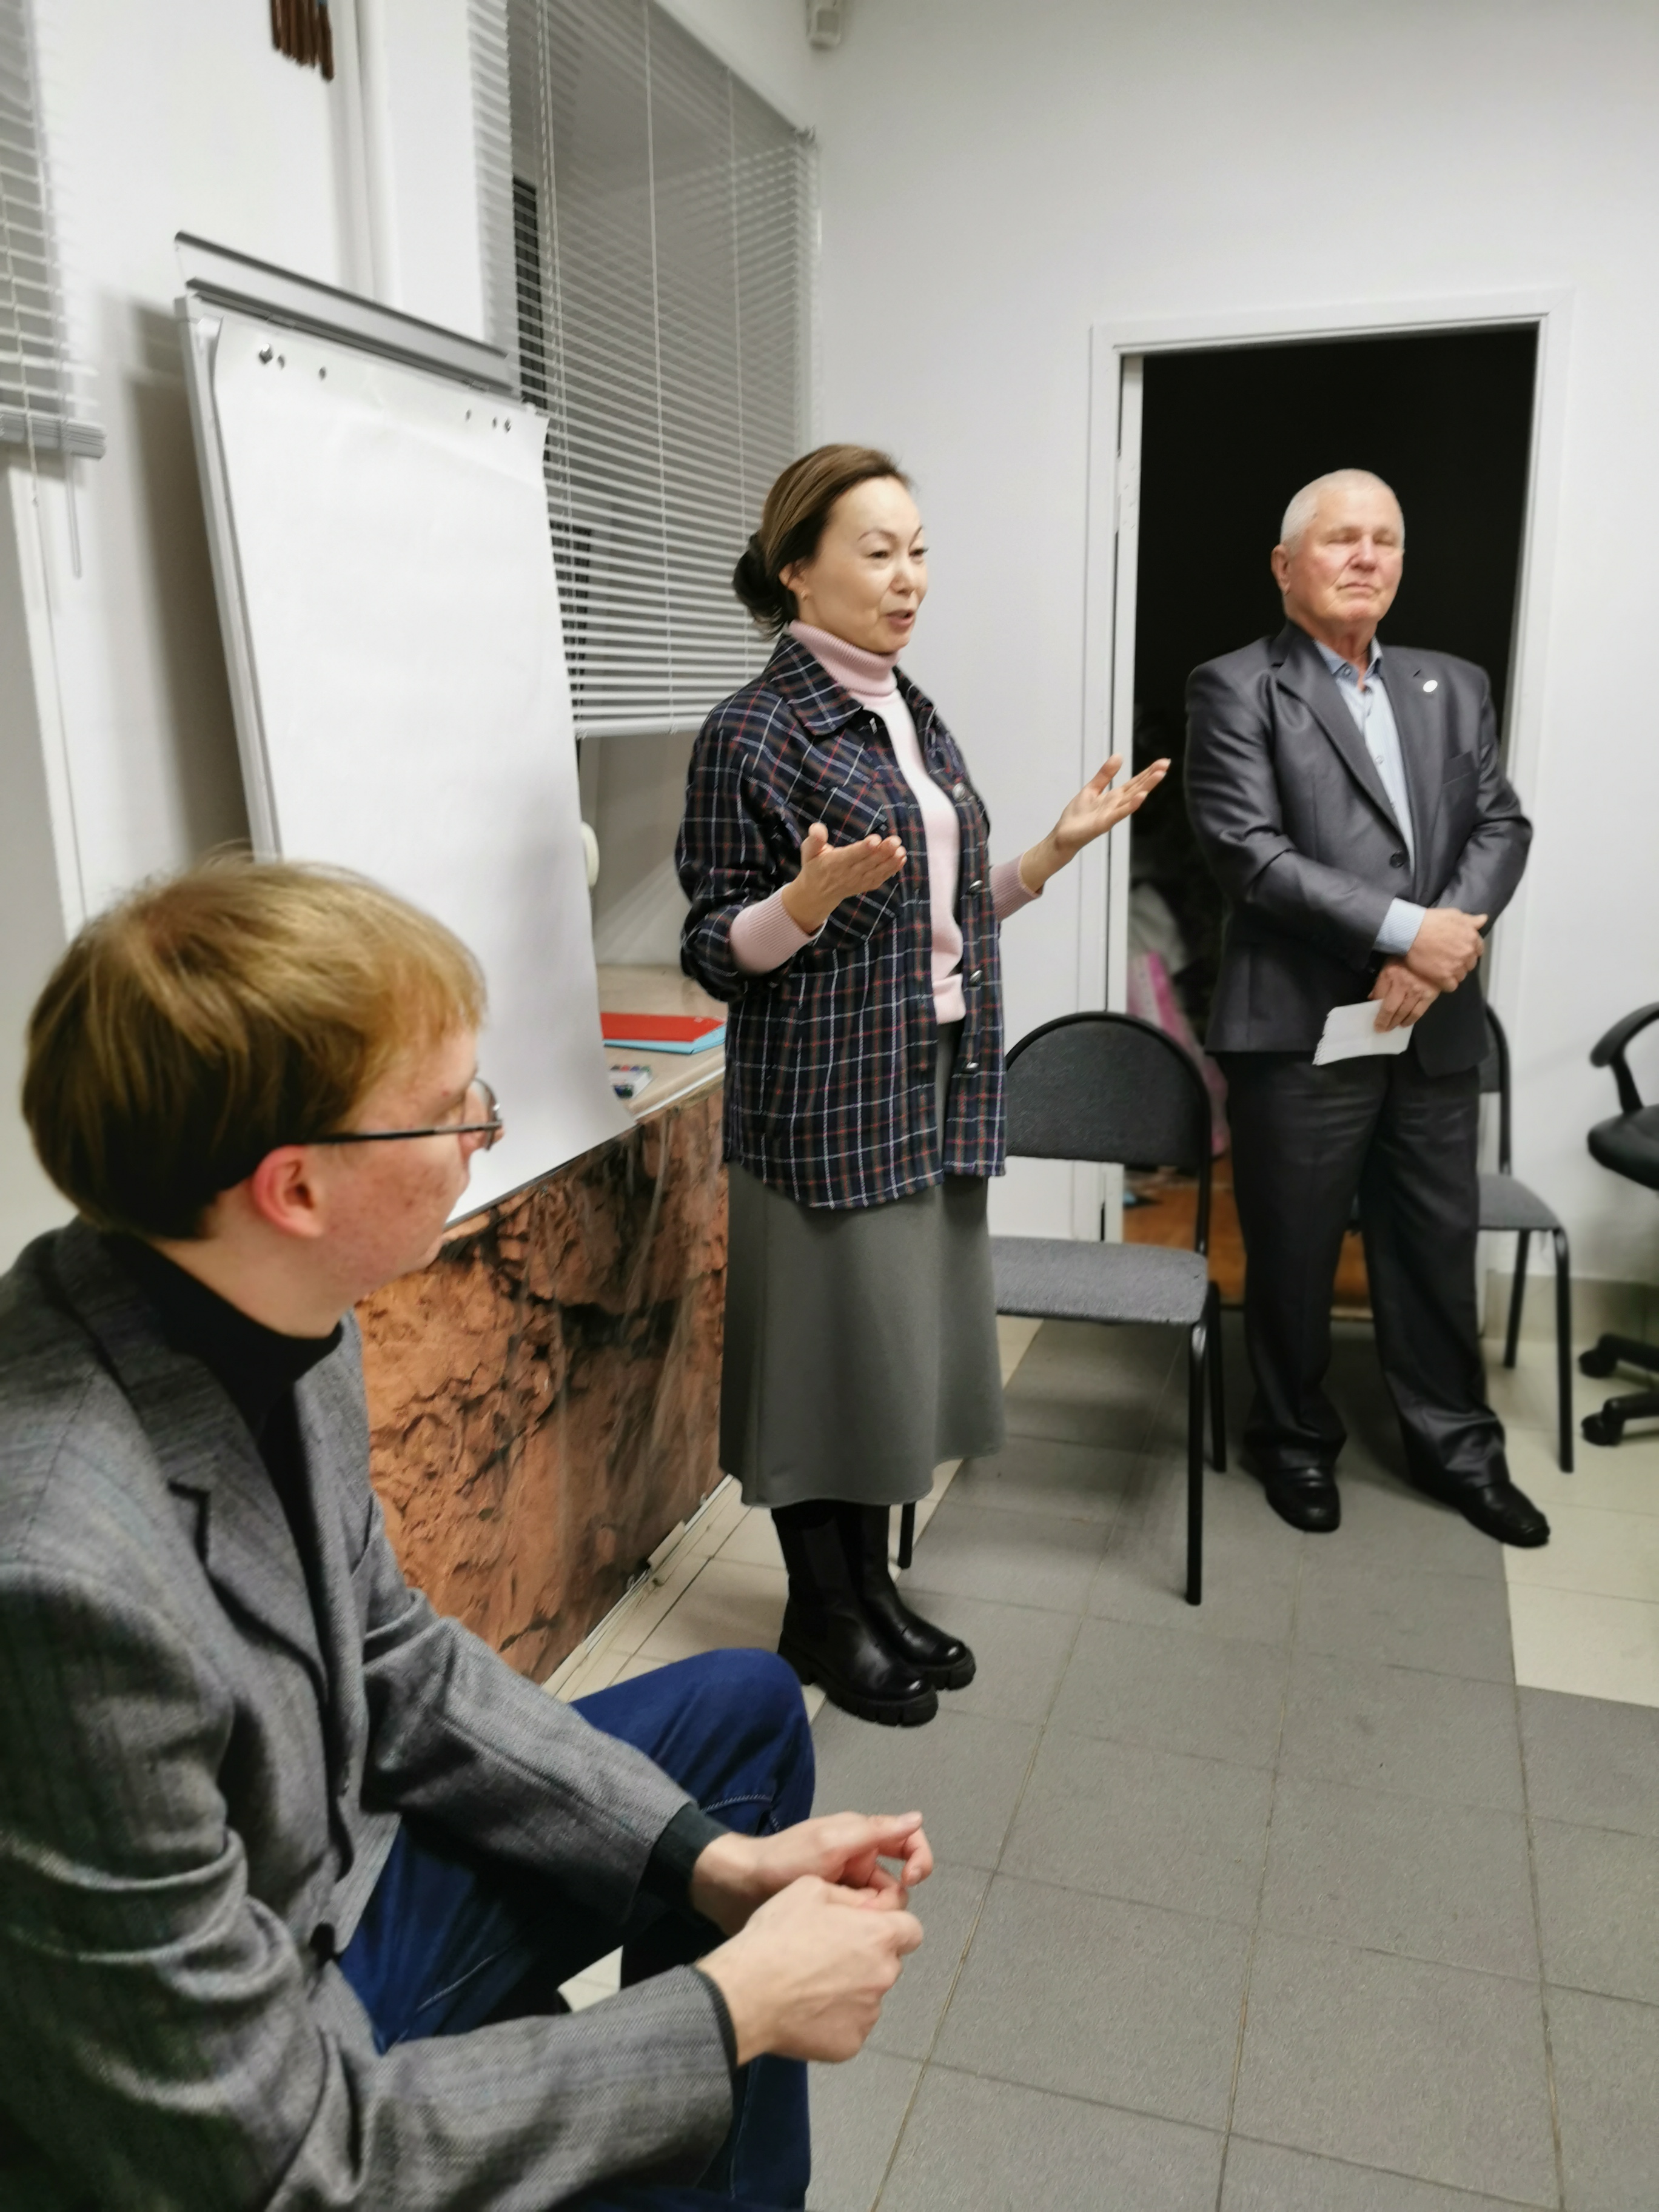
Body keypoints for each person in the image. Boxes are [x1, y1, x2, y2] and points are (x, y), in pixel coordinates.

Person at [0, 856, 934, 2212]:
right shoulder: (59, 1582)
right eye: (448, 1110)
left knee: (742, 1717)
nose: (484, 1129)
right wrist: (734, 2009)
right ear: (295, 1188)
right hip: (249, 2083)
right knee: (720, 2005)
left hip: (335, 1894)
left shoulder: (270, 1305)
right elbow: (286, 2167)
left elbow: (392, 1657)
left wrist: (705, 1864)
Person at [677, 445, 1167, 1726]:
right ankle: (823, 1613)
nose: (910, 579)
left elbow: (931, 917)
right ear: (798, 571)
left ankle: (863, 1597)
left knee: (887, 1360)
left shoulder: (908, 707)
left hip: (932, 1075)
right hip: (823, 1096)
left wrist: (1049, 853)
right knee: (822, 1366)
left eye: (920, 551)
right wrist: (796, 905)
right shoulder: (752, 731)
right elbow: (712, 948)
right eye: (879, 553)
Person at [1184, 468, 1547, 1547]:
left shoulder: (1455, 685)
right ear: (1285, 565)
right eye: (1342, 537)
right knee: (1295, 1254)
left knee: (1435, 1246)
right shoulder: (1236, 687)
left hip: (1432, 1026)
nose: (1366, 557)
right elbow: (1249, 854)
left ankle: (1458, 1448)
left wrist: (1434, 955)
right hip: (1299, 1030)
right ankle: (1293, 1440)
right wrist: (1405, 930)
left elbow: (1502, 826)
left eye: (1385, 540)